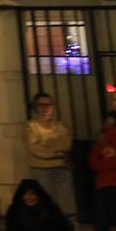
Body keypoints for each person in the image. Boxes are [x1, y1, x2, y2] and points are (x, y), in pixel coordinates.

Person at [27, 93, 76, 224]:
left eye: (49, 104)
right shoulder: (30, 127)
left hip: (62, 170)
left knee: (66, 207)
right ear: (35, 107)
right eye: (41, 105)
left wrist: (45, 144)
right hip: (41, 170)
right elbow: (35, 150)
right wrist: (58, 151)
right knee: (45, 207)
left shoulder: (60, 126)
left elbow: (66, 144)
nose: (46, 108)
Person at [6, 179, 76, 231]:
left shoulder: (50, 208)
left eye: (32, 194)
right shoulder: (14, 210)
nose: (29, 197)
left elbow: (64, 230)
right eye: (25, 194)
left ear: (38, 194)